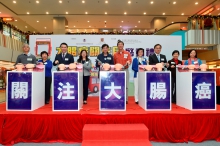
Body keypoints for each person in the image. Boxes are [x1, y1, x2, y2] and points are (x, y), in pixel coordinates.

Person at [113, 40, 132, 104]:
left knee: (126, 85)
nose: (120, 45)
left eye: (121, 44)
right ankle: (119, 97)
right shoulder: (115, 54)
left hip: (125, 70)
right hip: (118, 71)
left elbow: (129, 60)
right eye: (119, 44)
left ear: (123, 45)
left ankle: (126, 99)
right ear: (117, 46)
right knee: (118, 85)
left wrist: (128, 62)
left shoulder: (127, 53)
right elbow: (114, 63)